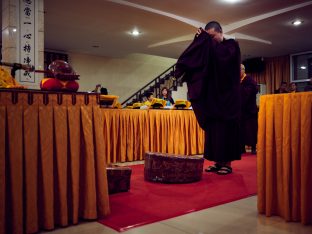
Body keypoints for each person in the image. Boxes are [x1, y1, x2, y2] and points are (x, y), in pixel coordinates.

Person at [175, 21, 241, 175]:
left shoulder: (232, 46)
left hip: (228, 99)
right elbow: (201, 60)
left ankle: (228, 163)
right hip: (213, 98)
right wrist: (199, 41)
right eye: (208, 37)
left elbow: (223, 61)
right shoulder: (211, 48)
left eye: (212, 36)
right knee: (214, 131)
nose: (210, 40)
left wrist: (204, 40)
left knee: (226, 131)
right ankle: (217, 162)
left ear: (220, 32)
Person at [240, 64, 258, 155]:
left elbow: (252, 90)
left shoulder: (249, 80)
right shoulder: (237, 80)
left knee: (252, 130)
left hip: (250, 110)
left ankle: (253, 147)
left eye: (239, 70)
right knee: (241, 130)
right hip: (240, 111)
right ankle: (241, 148)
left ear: (243, 70)